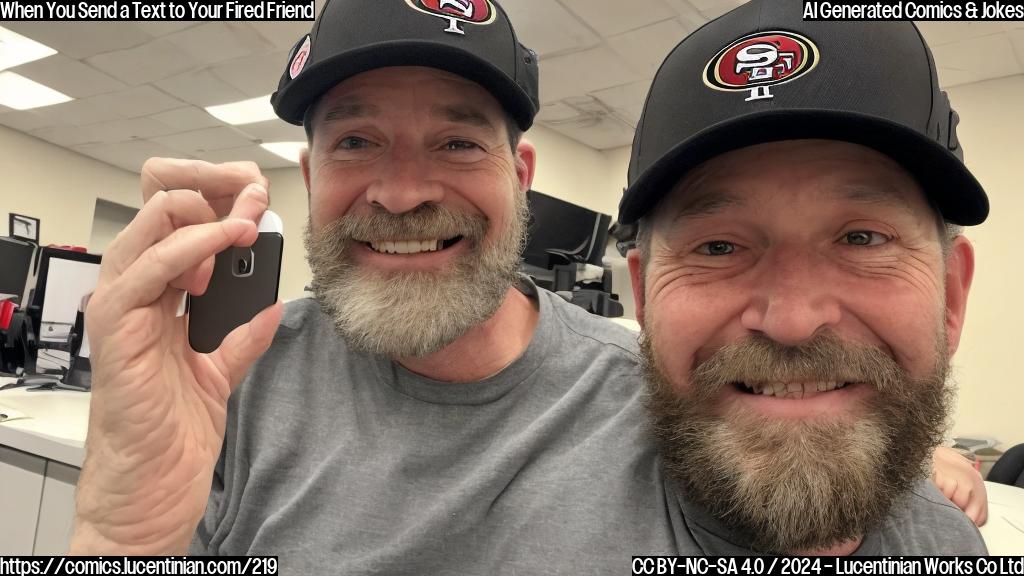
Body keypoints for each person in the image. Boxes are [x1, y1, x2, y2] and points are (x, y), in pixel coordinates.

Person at [68, 0, 985, 568]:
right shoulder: (231, 379)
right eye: (355, 141)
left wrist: (890, 470)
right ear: (311, 183)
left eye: (459, 141)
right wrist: (120, 530)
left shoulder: (671, 412)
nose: (403, 189)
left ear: (521, 180)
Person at [619, 0, 989, 555]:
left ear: (951, 298)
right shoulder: (510, 521)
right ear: (645, 299)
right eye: (718, 247)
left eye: (861, 238)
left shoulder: (952, 547)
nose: (792, 321)